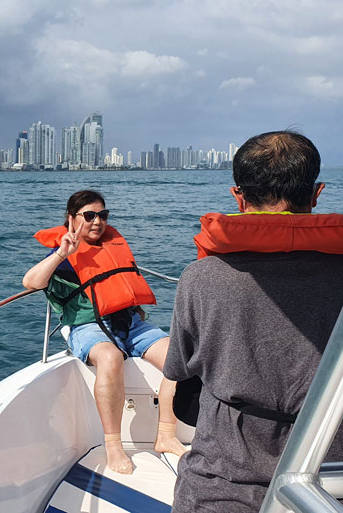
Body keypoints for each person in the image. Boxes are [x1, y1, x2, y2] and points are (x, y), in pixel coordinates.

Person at [164, 130, 343, 512]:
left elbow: (181, 375)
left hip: (222, 483)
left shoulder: (200, 278)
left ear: (238, 197)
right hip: (329, 483)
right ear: (316, 193)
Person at [23, 189, 187, 474]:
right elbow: (30, 282)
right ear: (71, 219)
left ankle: (165, 434)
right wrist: (63, 251)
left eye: (102, 215)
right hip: (87, 326)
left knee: (180, 357)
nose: (97, 222)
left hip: (130, 323)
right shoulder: (62, 253)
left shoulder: (113, 245)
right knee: (110, 359)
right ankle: (113, 446)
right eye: (89, 216)